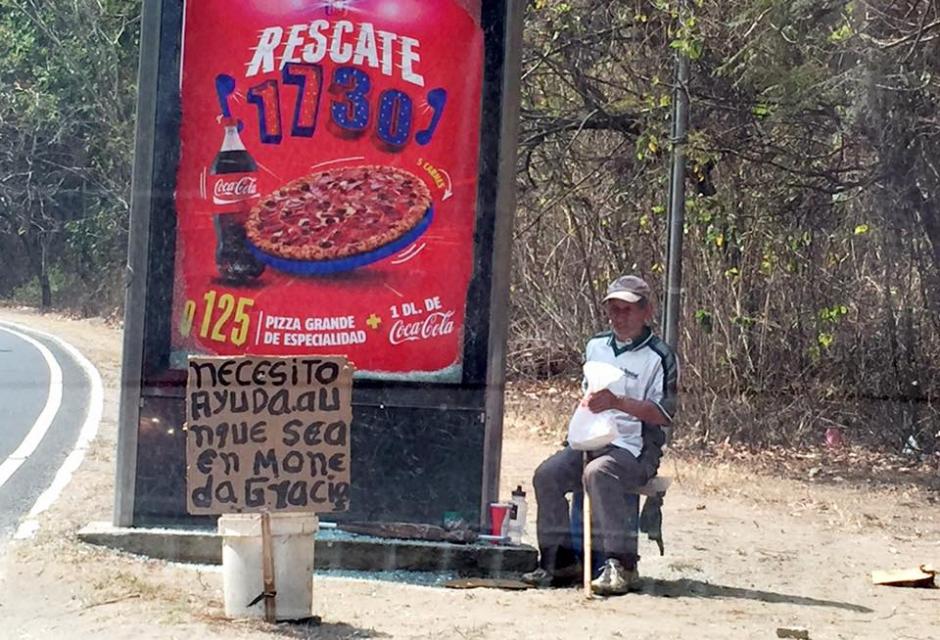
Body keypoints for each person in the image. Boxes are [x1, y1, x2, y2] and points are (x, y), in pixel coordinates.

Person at [521, 275, 678, 595]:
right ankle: (560, 560)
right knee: (547, 474)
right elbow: (589, 395)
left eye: (627, 310)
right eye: (613, 310)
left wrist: (619, 403)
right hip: (591, 438)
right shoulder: (595, 346)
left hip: (635, 447)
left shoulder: (659, 356)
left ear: (646, 312)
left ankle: (621, 564)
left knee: (599, 473)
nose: (619, 317)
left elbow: (663, 415)